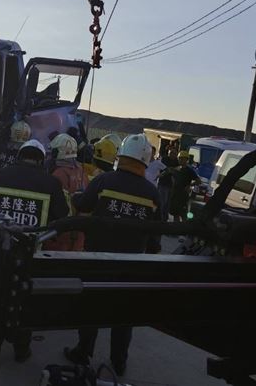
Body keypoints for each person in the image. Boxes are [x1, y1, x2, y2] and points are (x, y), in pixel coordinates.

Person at [64, 133, 161, 376]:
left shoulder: (103, 181)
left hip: (97, 260)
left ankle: (83, 352)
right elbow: (157, 237)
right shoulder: (153, 193)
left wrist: (77, 197)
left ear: (122, 156)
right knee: (123, 314)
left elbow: (84, 205)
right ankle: (119, 362)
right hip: (131, 265)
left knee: (91, 308)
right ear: (145, 161)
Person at [0, 139, 70, 362]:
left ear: (20, 156)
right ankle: (21, 349)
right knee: (23, 301)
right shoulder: (51, 183)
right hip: (29, 256)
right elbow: (62, 216)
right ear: (41, 160)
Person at [43, 133, 89, 251]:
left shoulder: (59, 174)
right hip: (79, 235)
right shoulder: (81, 172)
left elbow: (57, 208)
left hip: (60, 237)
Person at [168, 150, 201, 222]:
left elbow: (198, 181)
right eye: (180, 158)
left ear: (187, 160)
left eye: (183, 158)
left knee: (183, 214)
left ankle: (183, 229)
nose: (181, 160)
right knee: (175, 214)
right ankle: (176, 229)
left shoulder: (189, 171)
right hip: (175, 194)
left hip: (183, 195)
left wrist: (190, 185)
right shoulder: (176, 169)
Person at [157, 147, 179, 221]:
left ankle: (165, 218)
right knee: (162, 202)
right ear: (169, 153)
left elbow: (177, 171)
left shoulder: (177, 161)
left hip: (171, 185)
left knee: (168, 203)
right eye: (172, 153)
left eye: (175, 154)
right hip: (163, 184)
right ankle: (159, 217)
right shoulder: (164, 159)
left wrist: (170, 170)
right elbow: (164, 170)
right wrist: (171, 170)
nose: (173, 155)